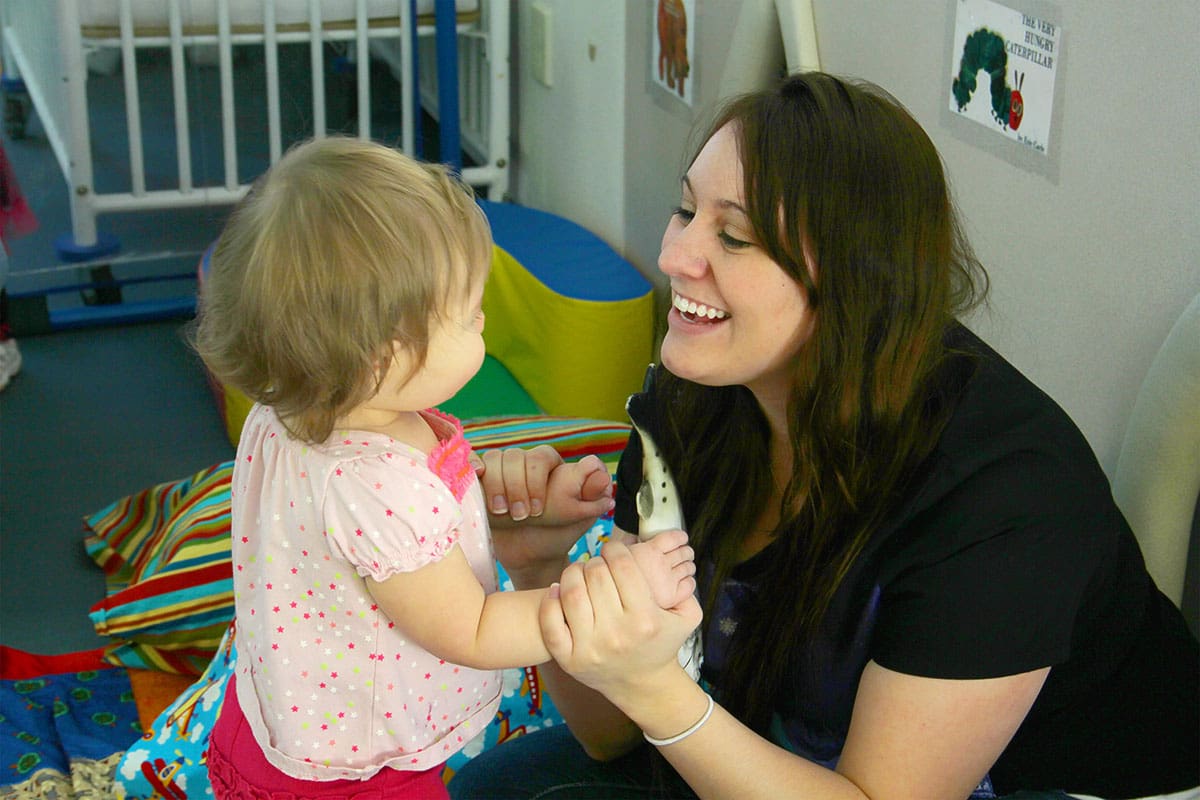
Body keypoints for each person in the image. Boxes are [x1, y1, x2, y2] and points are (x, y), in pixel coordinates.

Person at [449, 72, 1200, 800]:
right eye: (686, 212)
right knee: (503, 787)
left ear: (854, 277)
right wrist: (542, 568)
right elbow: (610, 736)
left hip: (1050, 785)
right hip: (795, 747)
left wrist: (662, 695)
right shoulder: (694, 399)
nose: (675, 257)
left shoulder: (1004, 497)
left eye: (734, 236)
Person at [191, 136, 698, 800]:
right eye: (468, 315)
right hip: (357, 777)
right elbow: (476, 629)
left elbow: (374, 527)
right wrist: (605, 596)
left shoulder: (286, 409)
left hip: (270, 729)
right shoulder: (377, 487)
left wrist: (490, 501)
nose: (483, 318)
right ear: (381, 357)